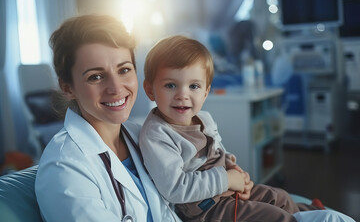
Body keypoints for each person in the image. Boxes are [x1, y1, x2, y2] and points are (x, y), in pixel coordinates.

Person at [139, 35, 355, 222]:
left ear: (206, 92)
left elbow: (219, 152)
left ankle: (313, 214)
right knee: (275, 217)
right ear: (150, 90)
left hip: (225, 188)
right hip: (205, 209)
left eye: (194, 86)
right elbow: (176, 188)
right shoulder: (157, 134)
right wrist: (227, 179)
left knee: (279, 197)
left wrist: (235, 169)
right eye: (170, 85)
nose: (182, 95)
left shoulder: (203, 119)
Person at [34, 14, 181, 222]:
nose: (116, 88)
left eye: (124, 70)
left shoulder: (141, 135)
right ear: (67, 88)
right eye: (96, 76)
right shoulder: (64, 168)